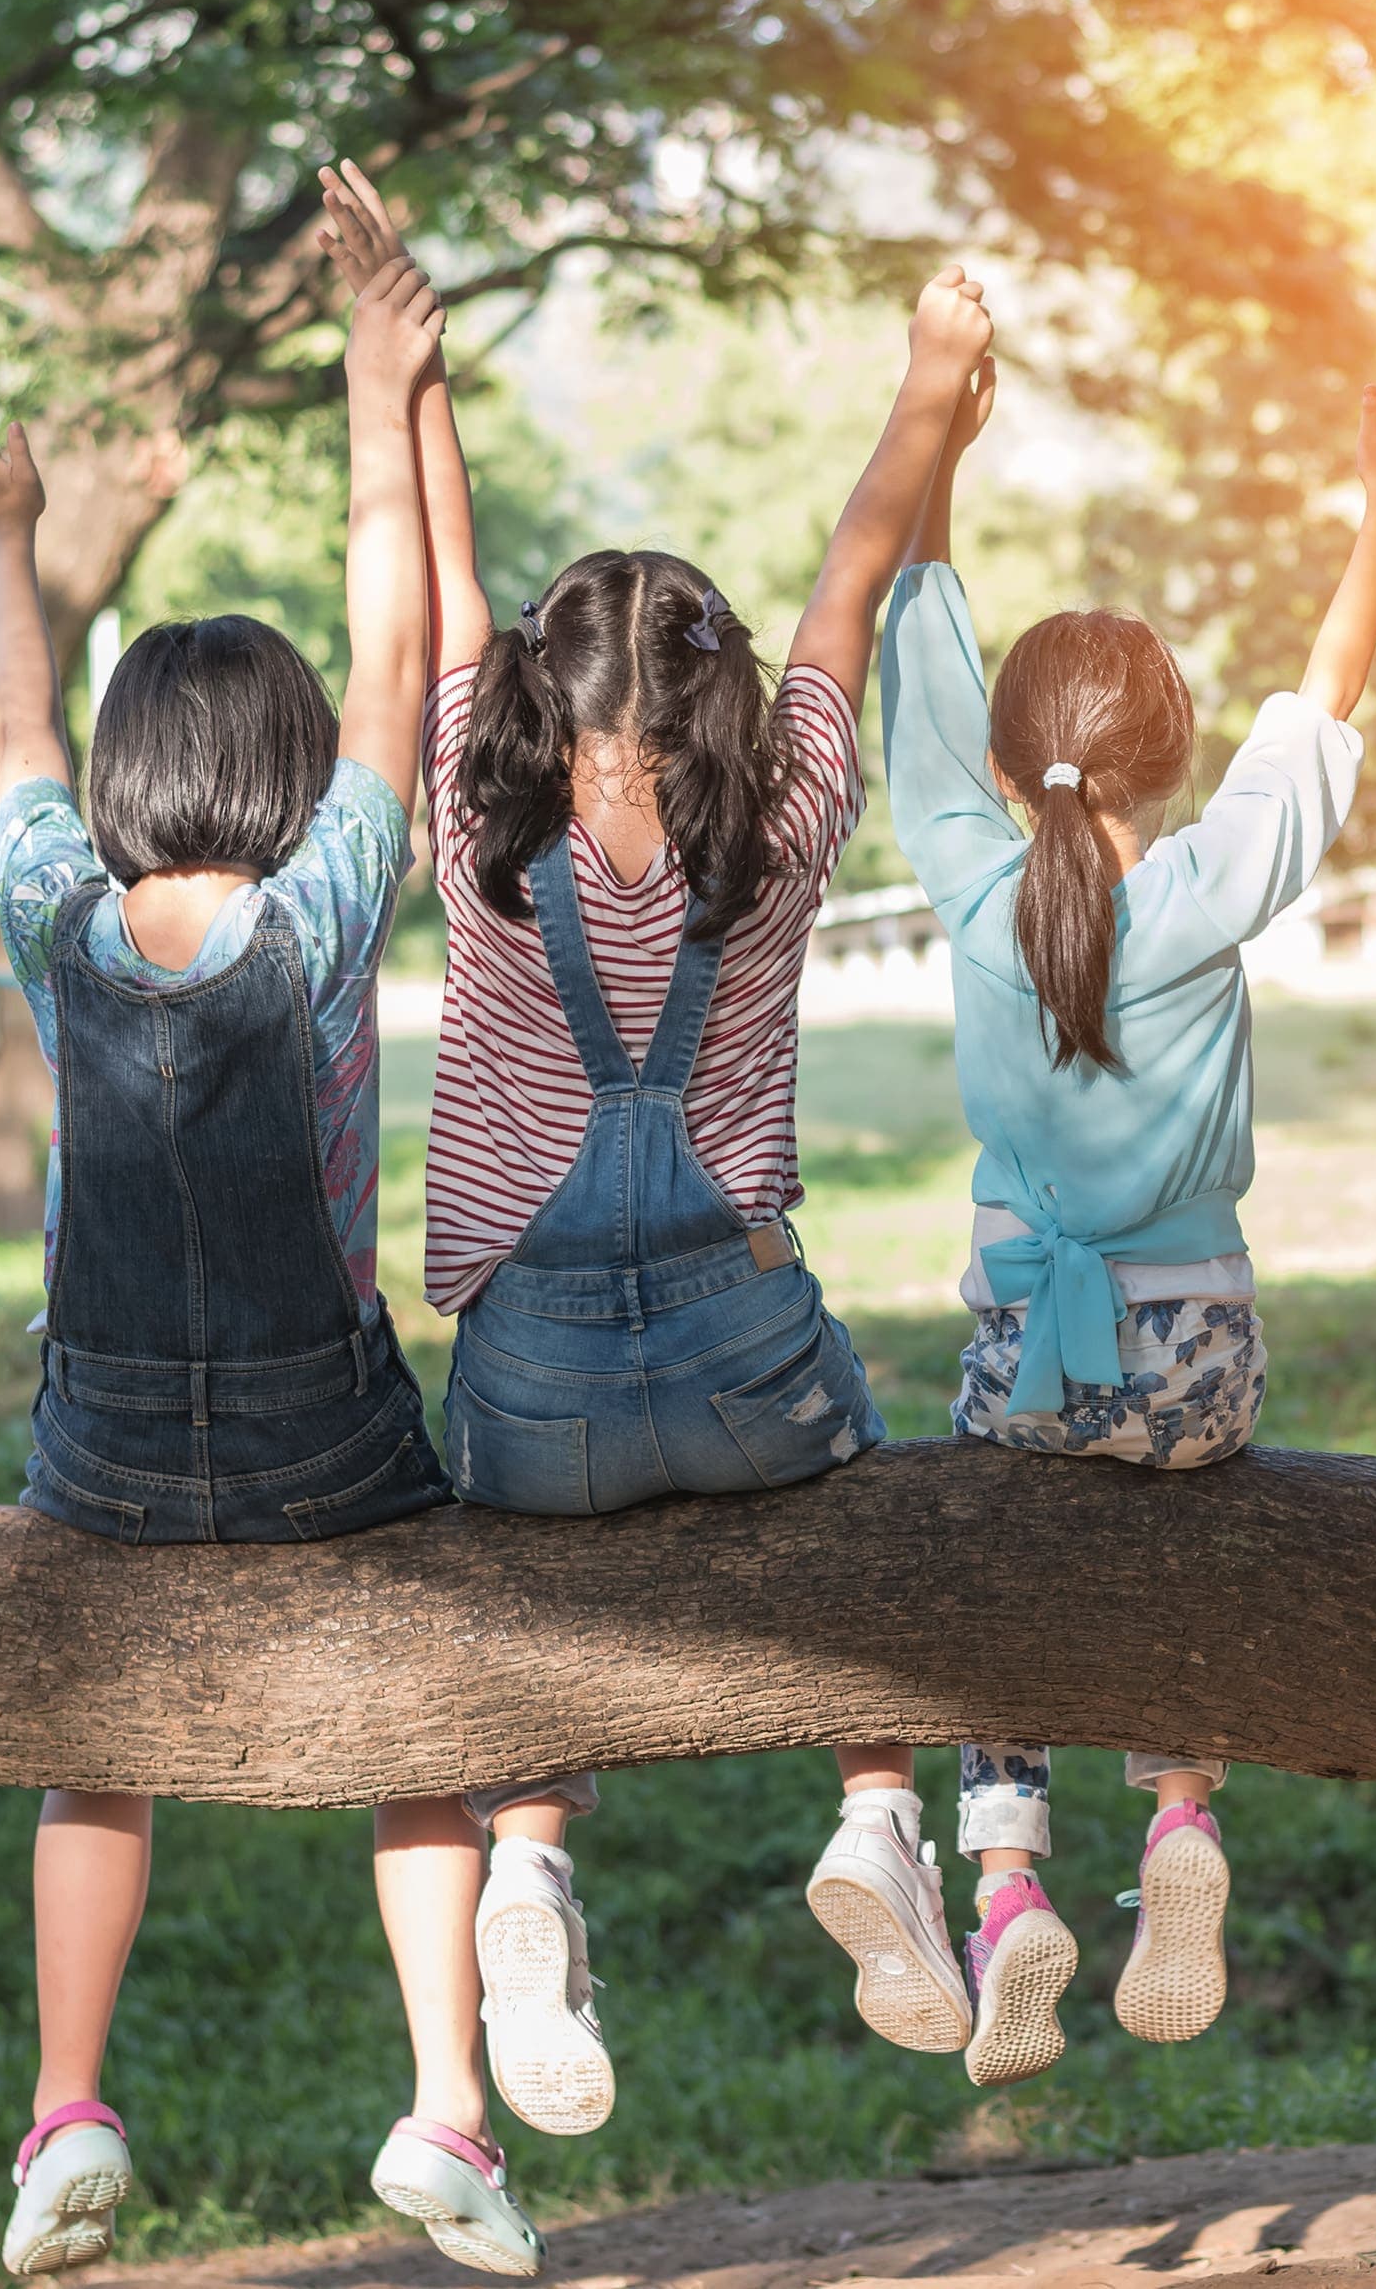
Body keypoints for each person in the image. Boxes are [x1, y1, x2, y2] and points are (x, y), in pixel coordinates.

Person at [365, 161, 998, 2185]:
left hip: (533, 1367)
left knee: (532, 1589)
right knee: (867, 1496)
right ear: (713, 696)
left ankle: (532, 1878)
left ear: (538, 717)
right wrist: (929, 377)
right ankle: (877, 1814)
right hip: (739, 1342)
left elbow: (447, 595)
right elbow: (857, 569)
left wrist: (414, 381)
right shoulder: (783, 825)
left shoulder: (482, 843)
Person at [0, 189, 490, 2276]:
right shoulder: (328, 906)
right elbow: (395, 647)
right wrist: (374, 376)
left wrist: (11, 532)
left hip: (101, 1451)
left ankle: (65, 2105)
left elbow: (4, 746)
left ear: (122, 774)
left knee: (94, 1757)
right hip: (321, 1437)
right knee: (435, 1709)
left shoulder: (63, 927)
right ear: (284, 775)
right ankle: (446, 2108)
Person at [812, 346, 1376, 2088]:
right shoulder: (1202, 889)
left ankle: (1008, 1889)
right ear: (1165, 762)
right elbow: (1322, 703)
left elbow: (923, 674)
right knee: (1180, 1537)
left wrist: (937, 437)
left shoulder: (964, 885)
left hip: (1028, 1345)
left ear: (1017, 775)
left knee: (999, 1584)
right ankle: (1177, 1816)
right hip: (1202, 1357)